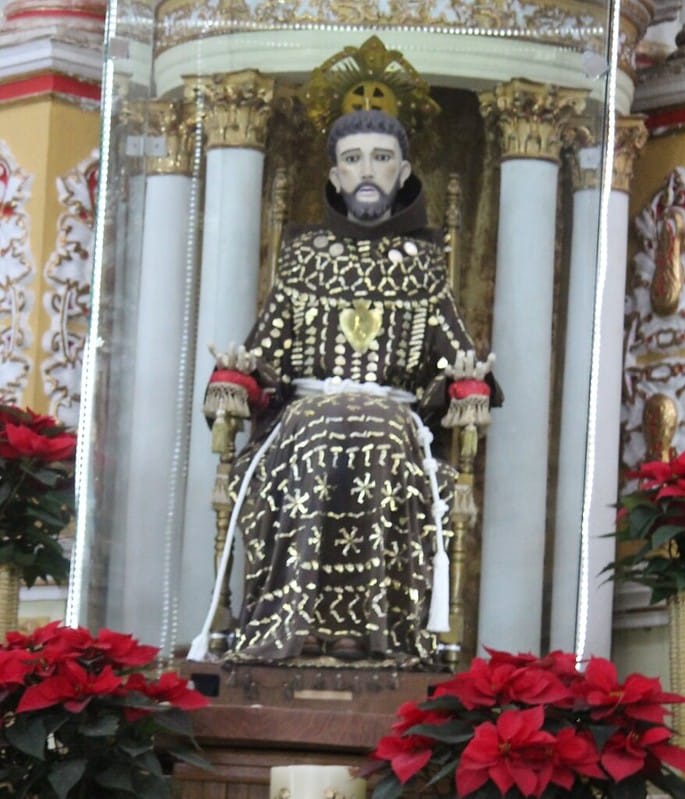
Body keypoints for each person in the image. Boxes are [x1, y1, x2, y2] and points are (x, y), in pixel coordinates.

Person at [197, 109, 501, 664]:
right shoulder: (302, 256)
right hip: (303, 419)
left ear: (403, 172)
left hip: (394, 419)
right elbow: (260, 355)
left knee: (375, 428)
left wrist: (466, 383)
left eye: (381, 158)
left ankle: (371, 629)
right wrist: (236, 373)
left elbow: (456, 363)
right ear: (335, 176)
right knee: (320, 427)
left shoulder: (426, 265)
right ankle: (295, 622)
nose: (367, 170)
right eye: (353, 159)